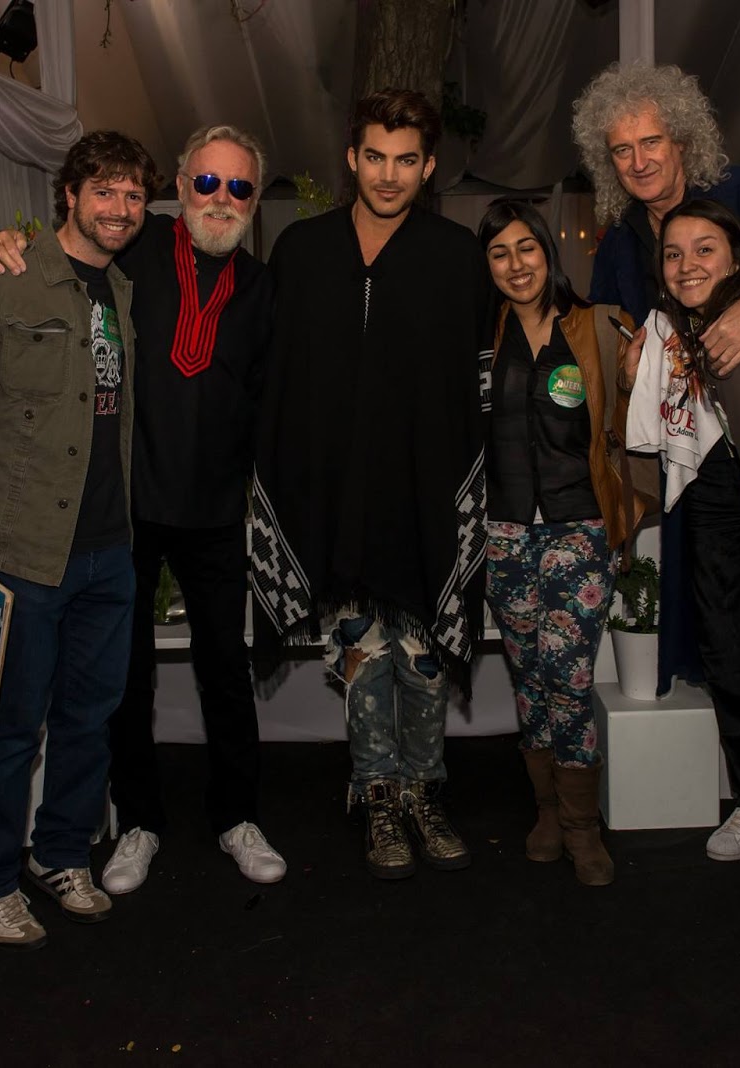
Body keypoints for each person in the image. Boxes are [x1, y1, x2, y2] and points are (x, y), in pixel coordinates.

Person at [0, 125, 286, 896]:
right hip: (128, 509)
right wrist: (2, 245)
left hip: (217, 510)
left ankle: (236, 817)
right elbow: (65, 250)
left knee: (226, 671)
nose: (222, 199)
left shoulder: (264, 287)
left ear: (254, 201)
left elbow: (270, 400)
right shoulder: (131, 259)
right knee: (123, 680)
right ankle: (138, 821)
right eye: (207, 183)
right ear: (179, 187)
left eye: (239, 187)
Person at [571, 61, 740, 863]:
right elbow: (612, 326)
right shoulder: (620, 238)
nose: (640, 161)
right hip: (702, 461)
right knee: (728, 635)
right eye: (621, 151)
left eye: (652, 141)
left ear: (683, 136)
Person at [0, 130, 158, 949]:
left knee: (91, 717)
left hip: (109, 552)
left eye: (131, 194)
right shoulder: (6, 277)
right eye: (105, 191)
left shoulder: (120, 291)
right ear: (70, 196)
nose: (120, 208)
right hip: (20, 551)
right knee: (11, 726)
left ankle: (60, 856)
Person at [248, 89, 493, 880]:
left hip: (421, 491)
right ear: (352, 159)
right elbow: (273, 371)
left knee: (420, 658)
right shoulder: (304, 250)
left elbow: (479, 378)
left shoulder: (455, 257)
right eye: (375, 157)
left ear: (428, 167)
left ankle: (425, 793)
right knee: (359, 654)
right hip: (331, 494)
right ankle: (376, 797)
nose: (389, 175)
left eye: (407, 161)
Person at [477, 199, 643, 886]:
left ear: (549, 253)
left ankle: (581, 825)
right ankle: (546, 811)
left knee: (568, 677)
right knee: (529, 681)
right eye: (500, 254)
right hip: (506, 533)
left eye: (527, 249)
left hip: (579, 528)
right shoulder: (482, 339)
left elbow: (635, 417)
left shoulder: (597, 326)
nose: (517, 265)